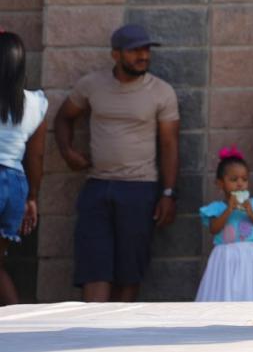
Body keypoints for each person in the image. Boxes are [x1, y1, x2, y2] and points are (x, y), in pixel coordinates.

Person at [53, 24, 179, 303]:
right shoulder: (91, 85)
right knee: (94, 268)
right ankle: (88, 333)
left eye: (146, 50)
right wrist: (67, 151)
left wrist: (168, 193)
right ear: (115, 54)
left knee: (128, 271)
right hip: (97, 186)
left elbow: (170, 144)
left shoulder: (161, 92)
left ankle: (115, 337)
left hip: (140, 189)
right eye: (135, 50)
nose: (143, 56)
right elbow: (63, 117)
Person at [0, 31, 46, 306]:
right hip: (15, 185)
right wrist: (31, 198)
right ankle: (16, 326)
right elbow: (36, 157)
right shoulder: (36, 104)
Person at [195, 147, 253, 301]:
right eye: (233, 180)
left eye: (244, 179)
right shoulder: (217, 208)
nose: (240, 184)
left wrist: (251, 212)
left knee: (251, 293)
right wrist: (229, 210)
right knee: (225, 293)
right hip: (225, 257)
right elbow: (214, 229)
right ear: (220, 183)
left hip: (250, 255)